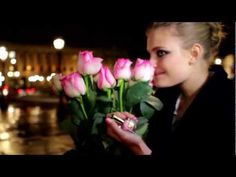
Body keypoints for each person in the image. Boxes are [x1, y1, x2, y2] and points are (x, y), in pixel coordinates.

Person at [105, 22, 234, 159]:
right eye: (150, 54)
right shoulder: (163, 97)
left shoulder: (229, 103)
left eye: (161, 53)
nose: (151, 63)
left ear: (194, 54)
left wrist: (140, 149)